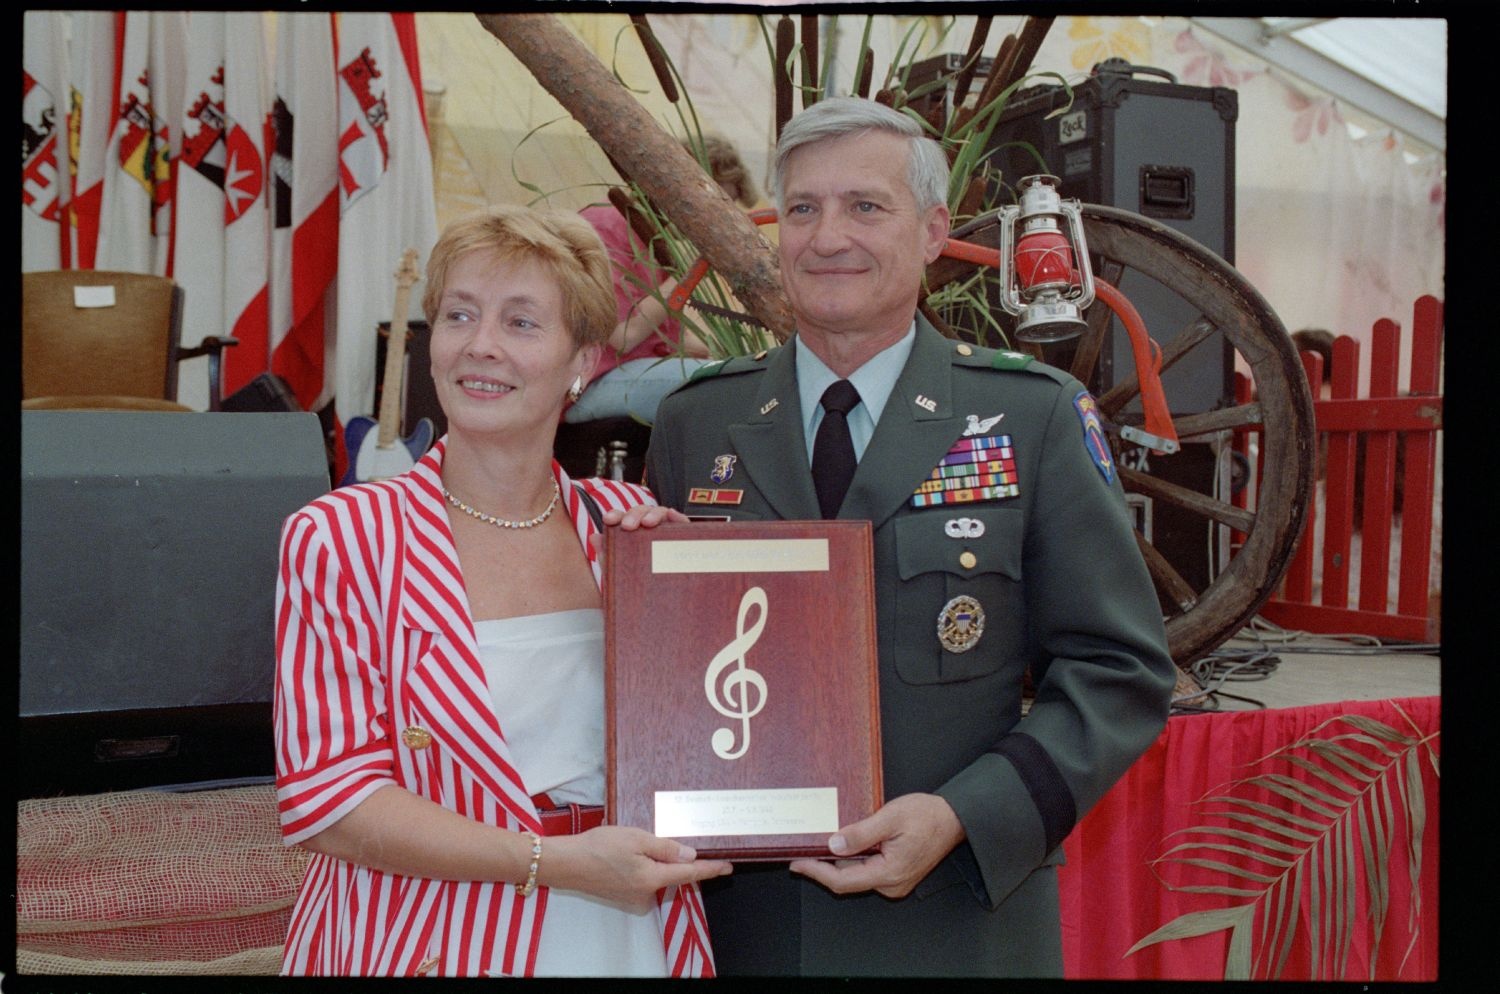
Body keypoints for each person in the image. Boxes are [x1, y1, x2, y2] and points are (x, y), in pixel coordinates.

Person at [637, 96, 1176, 976]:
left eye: (865, 207)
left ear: (932, 232)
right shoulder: (702, 421)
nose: (827, 236)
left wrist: (965, 815)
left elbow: (1120, 670)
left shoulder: (1027, 417)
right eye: (803, 209)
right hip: (744, 927)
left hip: (955, 920)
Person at [273, 204, 730, 977]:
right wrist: (556, 863)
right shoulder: (341, 536)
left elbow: (716, 732)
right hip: (423, 936)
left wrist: (701, 598)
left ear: (582, 361)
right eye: (459, 315)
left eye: (521, 323)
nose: (480, 346)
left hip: (632, 937)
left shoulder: (627, 528)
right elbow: (330, 803)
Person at [564, 135, 762, 426]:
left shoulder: (657, 245)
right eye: (717, 208)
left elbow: (669, 340)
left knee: (748, 376)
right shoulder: (606, 227)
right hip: (590, 381)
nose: (719, 221)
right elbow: (623, 336)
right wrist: (692, 271)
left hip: (629, 372)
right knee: (727, 389)